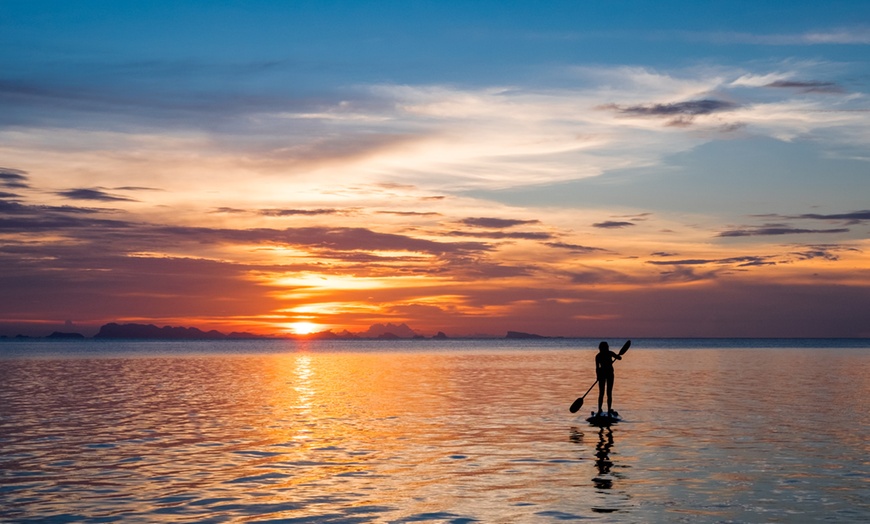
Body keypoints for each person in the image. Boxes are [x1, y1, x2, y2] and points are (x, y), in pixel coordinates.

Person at [596, 341, 621, 416]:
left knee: (606, 393)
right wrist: (598, 376)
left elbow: (619, 358)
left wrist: (618, 356)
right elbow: (597, 368)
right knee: (604, 393)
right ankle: (602, 409)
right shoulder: (605, 354)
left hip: (607, 375)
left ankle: (606, 409)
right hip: (604, 375)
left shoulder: (601, 355)